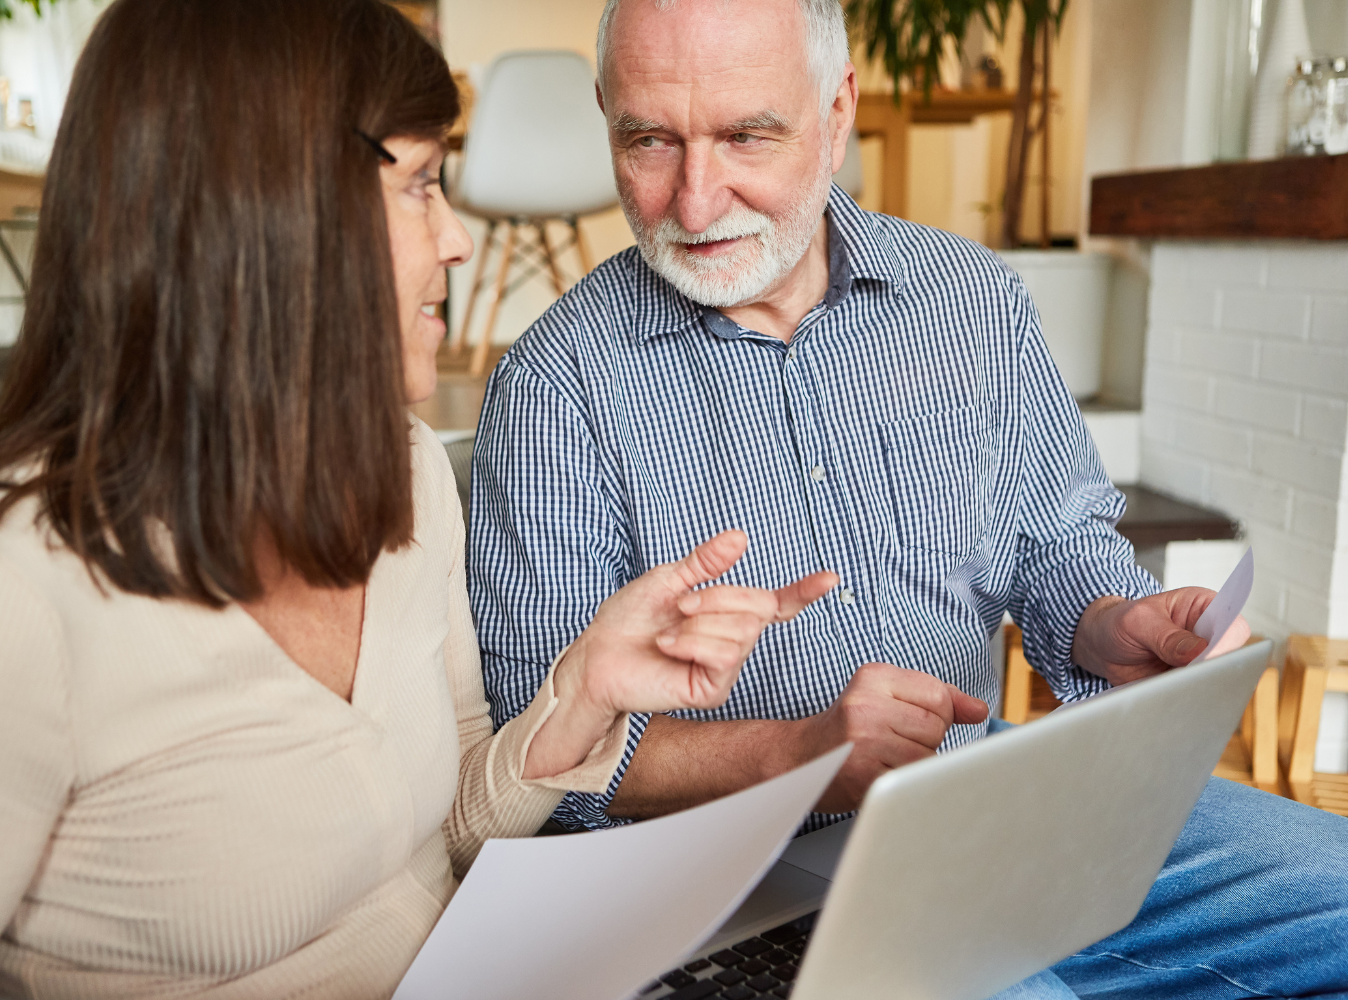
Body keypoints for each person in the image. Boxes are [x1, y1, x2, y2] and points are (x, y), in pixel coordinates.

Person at [0, 2, 836, 997]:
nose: (456, 240)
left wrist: (584, 689)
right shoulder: (7, 586)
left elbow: (438, 834)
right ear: (271, 205)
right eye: (419, 186)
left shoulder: (399, 468)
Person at [470, 0, 1348, 996]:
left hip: (989, 793)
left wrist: (1114, 619)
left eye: (748, 134)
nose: (697, 201)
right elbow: (542, 758)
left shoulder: (972, 301)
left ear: (836, 110)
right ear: (606, 118)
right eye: (649, 142)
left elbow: (1056, 540)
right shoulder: (554, 387)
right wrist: (801, 755)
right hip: (734, 872)